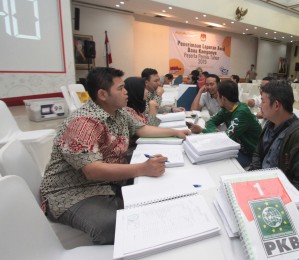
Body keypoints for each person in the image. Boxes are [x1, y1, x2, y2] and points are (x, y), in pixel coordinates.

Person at [40, 67, 190, 245]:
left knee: (153, 200)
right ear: (103, 94)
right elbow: (92, 171)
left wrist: (176, 132)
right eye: (120, 89)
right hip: (72, 192)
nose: (126, 92)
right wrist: (143, 169)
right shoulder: (81, 124)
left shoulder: (120, 111)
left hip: (105, 183)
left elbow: (142, 129)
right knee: (116, 225)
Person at [249, 80, 299, 231]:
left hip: (294, 202)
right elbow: (258, 154)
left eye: (263, 101)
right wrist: (251, 180)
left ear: (276, 105)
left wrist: (270, 198)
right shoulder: (270, 125)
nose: (260, 105)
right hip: (267, 187)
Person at [188, 80, 261, 168]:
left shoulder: (241, 112)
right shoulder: (226, 108)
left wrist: (203, 130)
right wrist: (214, 131)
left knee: (215, 165)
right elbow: (211, 122)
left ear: (223, 98)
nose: (216, 97)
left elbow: (226, 139)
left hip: (249, 154)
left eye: (217, 95)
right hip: (236, 147)